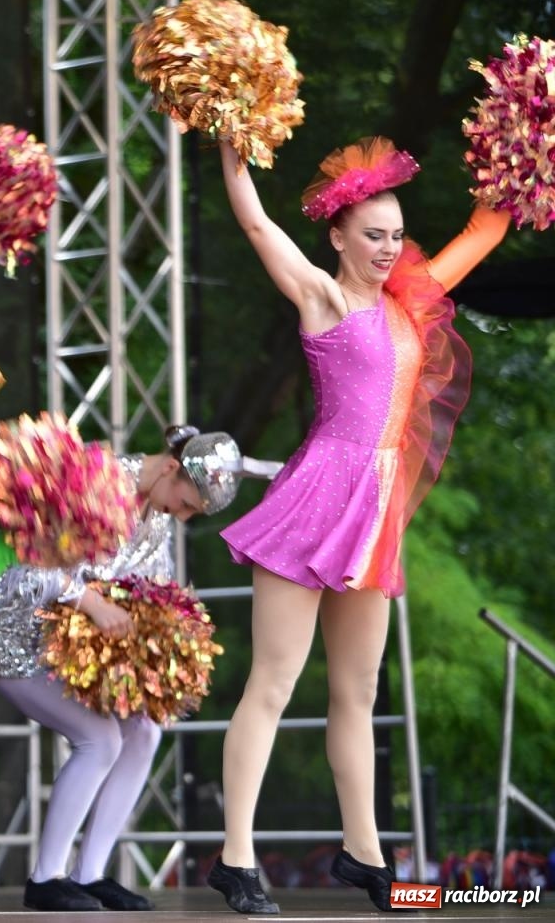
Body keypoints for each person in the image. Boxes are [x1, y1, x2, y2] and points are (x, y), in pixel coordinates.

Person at [208, 139, 509, 914]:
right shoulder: (322, 297)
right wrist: (232, 152)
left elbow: (481, 236)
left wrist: (521, 162)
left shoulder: (410, 301)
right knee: (272, 684)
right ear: (338, 236)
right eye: (372, 233)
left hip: (374, 512)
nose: (388, 248)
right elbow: (255, 225)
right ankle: (235, 858)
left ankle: (365, 852)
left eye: (396, 234)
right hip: (316, 499)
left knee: (359, 690)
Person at [0, 426, 267, 912]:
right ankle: (46, 878)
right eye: (187, 504)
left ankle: (90, 874)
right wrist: (92, 604)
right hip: (14, 634)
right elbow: (33, 564)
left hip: (65, 649)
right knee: (100, 740)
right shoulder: (97, 484)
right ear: (170, 467)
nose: (183, 517)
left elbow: (152, 595)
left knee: (146, 732)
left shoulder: (156, 513)